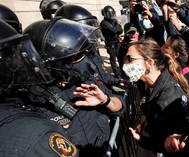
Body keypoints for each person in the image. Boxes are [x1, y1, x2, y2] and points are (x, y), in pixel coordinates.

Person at [24, 18, 124, 156]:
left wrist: (106, 101)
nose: (85, 59)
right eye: (76, 56)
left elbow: (120, 105)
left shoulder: (85, 82)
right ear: (55, 63)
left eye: (84, 53)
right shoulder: (35, 102)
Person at [0, 20, 78, 157]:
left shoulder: (33, 91)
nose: (19, 63)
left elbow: (68, 109)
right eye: (13, 58)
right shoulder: (34, 135)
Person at [124, 39, 189, 155]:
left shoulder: (167, 99)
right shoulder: (154, 85)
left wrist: (144, 139)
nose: (125, 64)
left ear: (149, 63)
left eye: (130, 59)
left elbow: (171, 146)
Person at [54, 4, 124, 88]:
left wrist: (117, 81)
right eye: (83, 30)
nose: (88, 34)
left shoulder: (91, 51)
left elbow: (101, 75)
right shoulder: (64, 62)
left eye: (88, 29)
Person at [100, 5, 124, 79]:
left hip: (117, 42)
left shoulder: (114, 21)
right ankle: (117, 74)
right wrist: (118, 24)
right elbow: (113, 30)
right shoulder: (103, 23)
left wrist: (117, 25)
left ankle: (122, 71)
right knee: (113, 59)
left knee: (120, 58)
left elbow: (120, 30)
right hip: (111, 44)